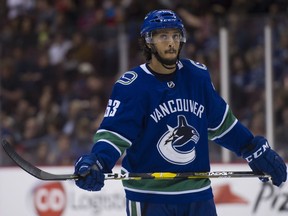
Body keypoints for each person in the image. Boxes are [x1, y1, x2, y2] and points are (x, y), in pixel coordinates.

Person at [74, 10, 287, 216]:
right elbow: (114, 136)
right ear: (148, 41)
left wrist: (250, 147)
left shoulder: (197, 76)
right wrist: (98, 161)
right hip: (150, 197)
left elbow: (222, 124)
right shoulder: (132, 86)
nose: (171, 42)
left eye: (176, 35)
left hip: (197, 195)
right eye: (163, 36)